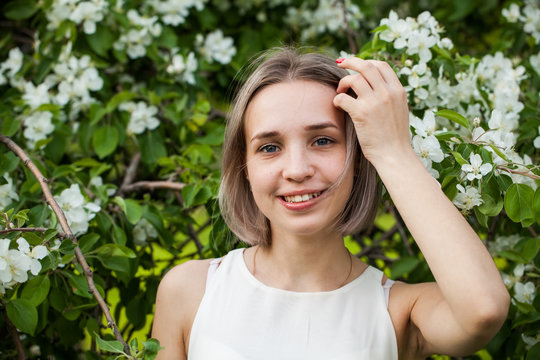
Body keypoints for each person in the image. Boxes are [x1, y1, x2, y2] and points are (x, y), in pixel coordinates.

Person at [152, 48, 509, 360]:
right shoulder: (190, 291)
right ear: (244, 169)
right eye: (269, 147)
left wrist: (394, 151)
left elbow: (483, 309)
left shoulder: (396, 312)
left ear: (358, 158)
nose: (296, 170)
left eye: (322, 140)